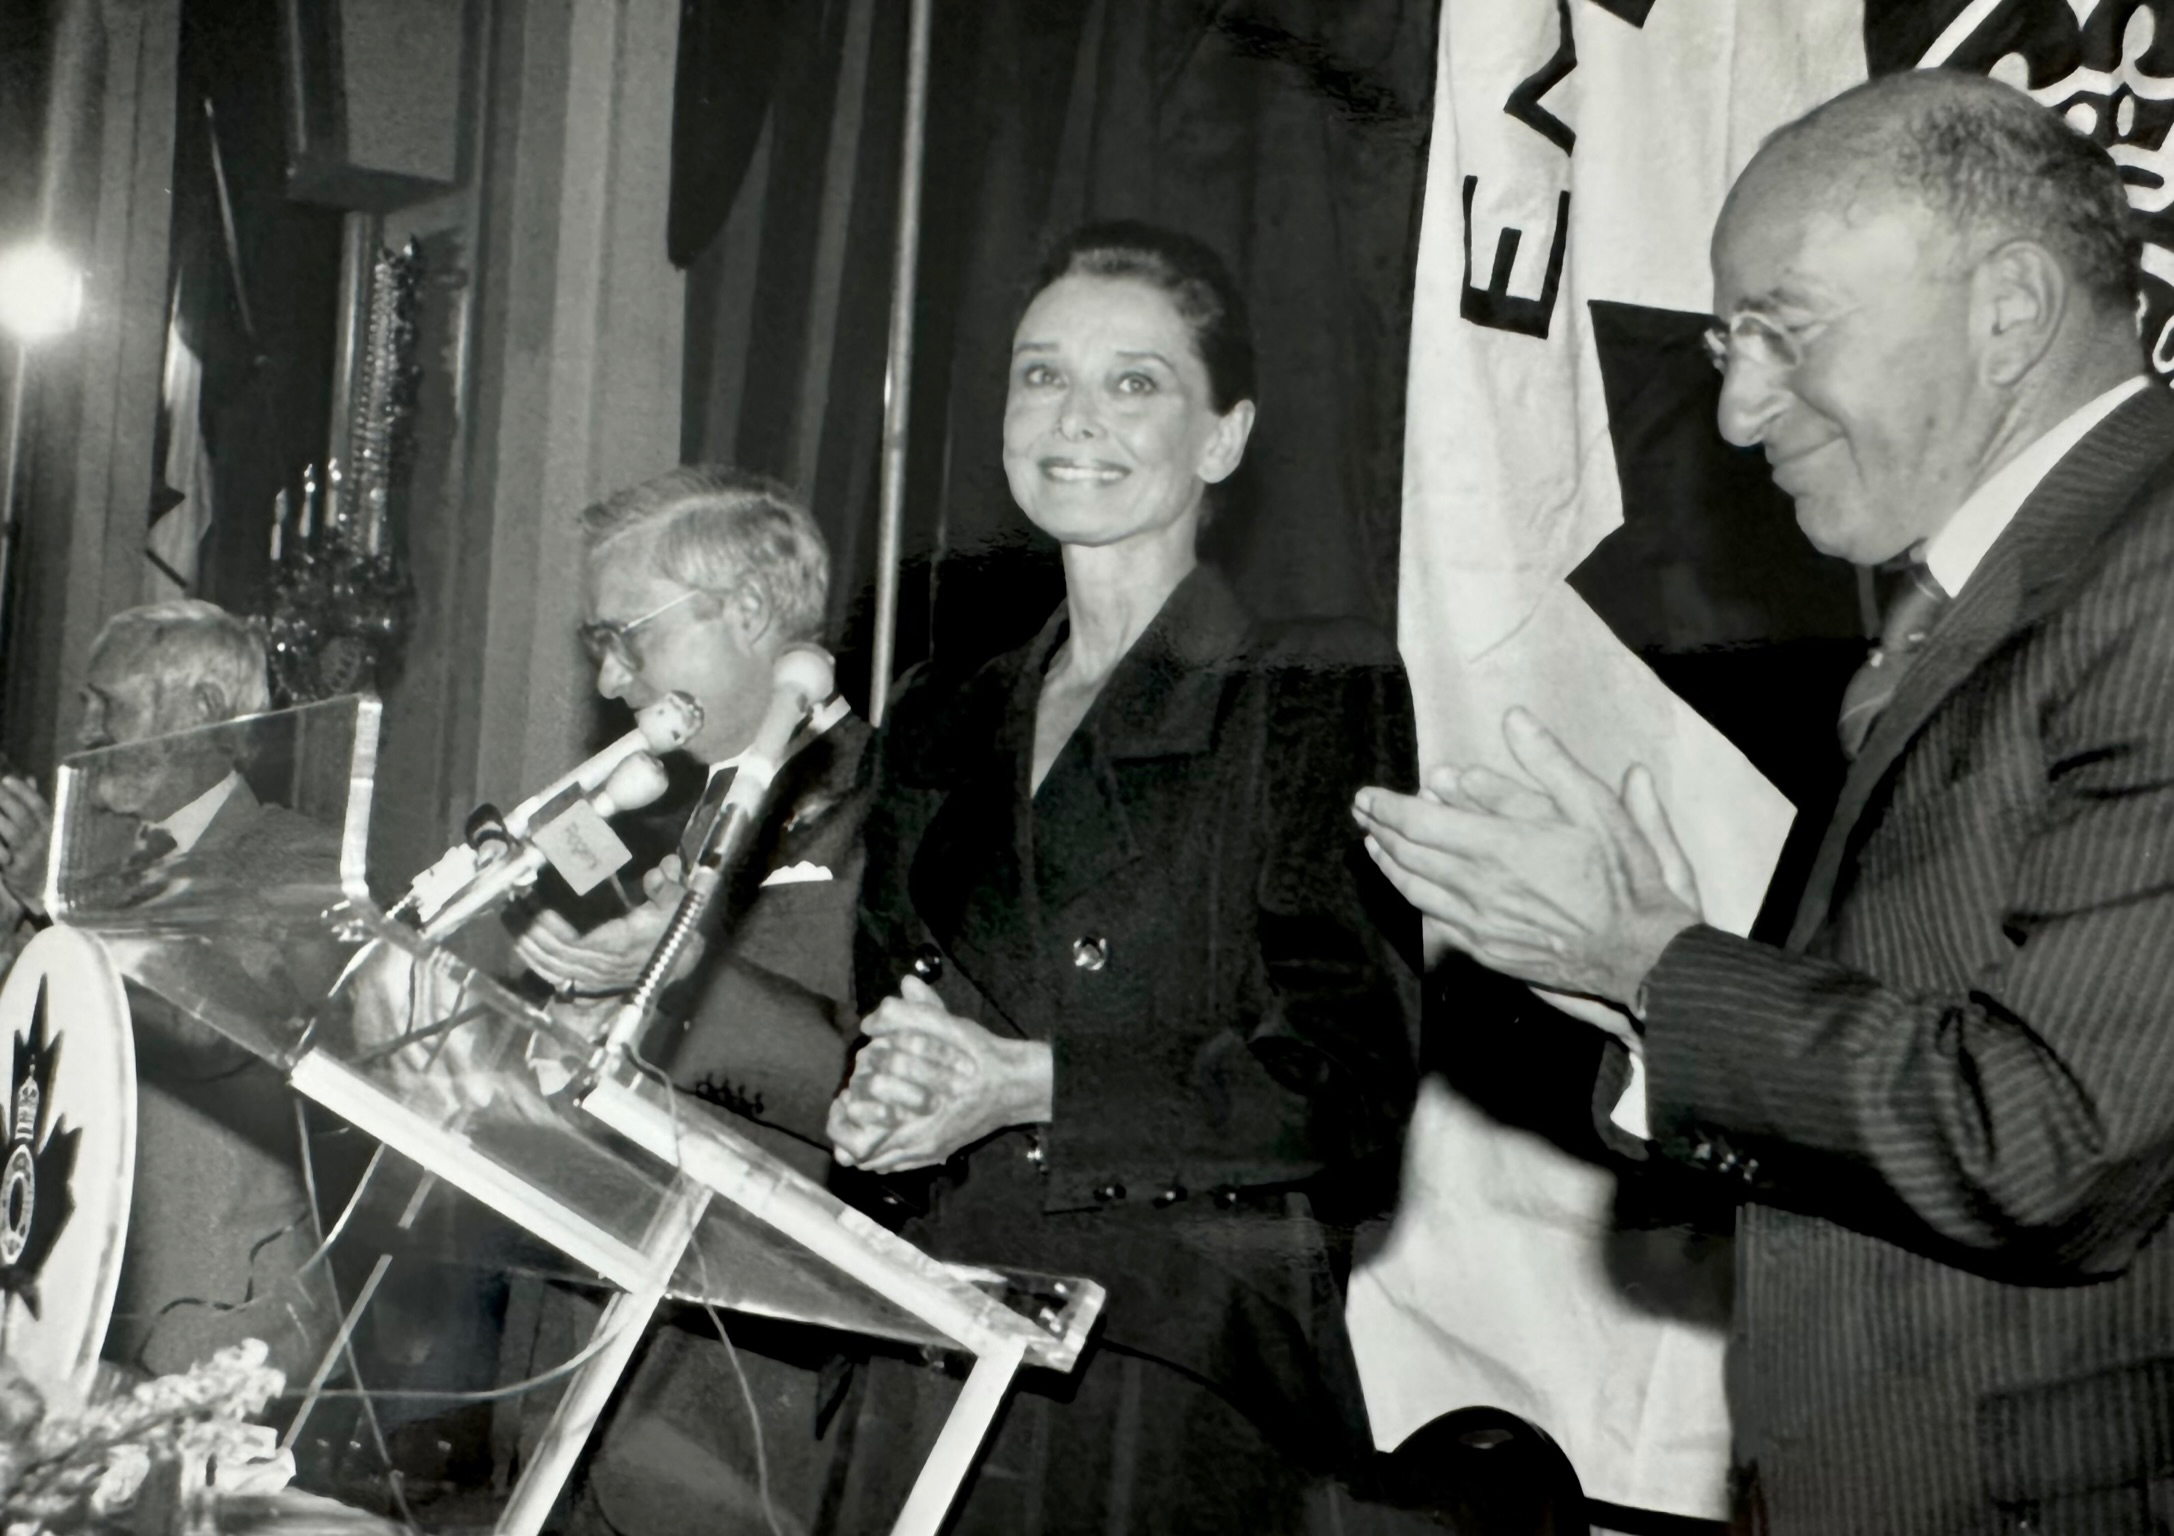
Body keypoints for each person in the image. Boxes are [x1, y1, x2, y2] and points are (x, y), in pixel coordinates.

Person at [1354, 71, 2174, 1535]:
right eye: (1729, 344)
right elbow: (1939, 1058)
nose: (1733, 411)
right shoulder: (1992, 597)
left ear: (2006, 311)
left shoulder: (2154, 575)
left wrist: (1657, 966)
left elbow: (2055, 1143)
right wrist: (1644, 995)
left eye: (1780, 334)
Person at [823, 221, 1420, 1535]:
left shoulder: (1308, 692)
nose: (1072, 417)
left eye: (1134, 381)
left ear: (1222, 438)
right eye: (1040, 375)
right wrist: (877, 1113)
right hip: (940, 1311)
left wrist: (1029, 1085)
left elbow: (1347, 1079)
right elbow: (894, 1009)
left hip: (1169, 1360)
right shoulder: (940, 708)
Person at [503, 466, 873, 1536]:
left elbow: (851, 1085)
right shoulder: (668, 818)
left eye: (629, 636)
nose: (613, 678)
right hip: (595, 1377)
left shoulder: (889, 810)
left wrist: (670, 991)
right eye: (596, 646)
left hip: (742, 1406)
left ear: (750, 613)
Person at [0, 600, 343, 1382]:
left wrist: (60, 901)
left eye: (107, 705)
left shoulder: (299, 862)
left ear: (204, 711)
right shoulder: (101, 867)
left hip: (218, 1322)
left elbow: (214, 1033)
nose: (84, 731)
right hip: (66, 1299)